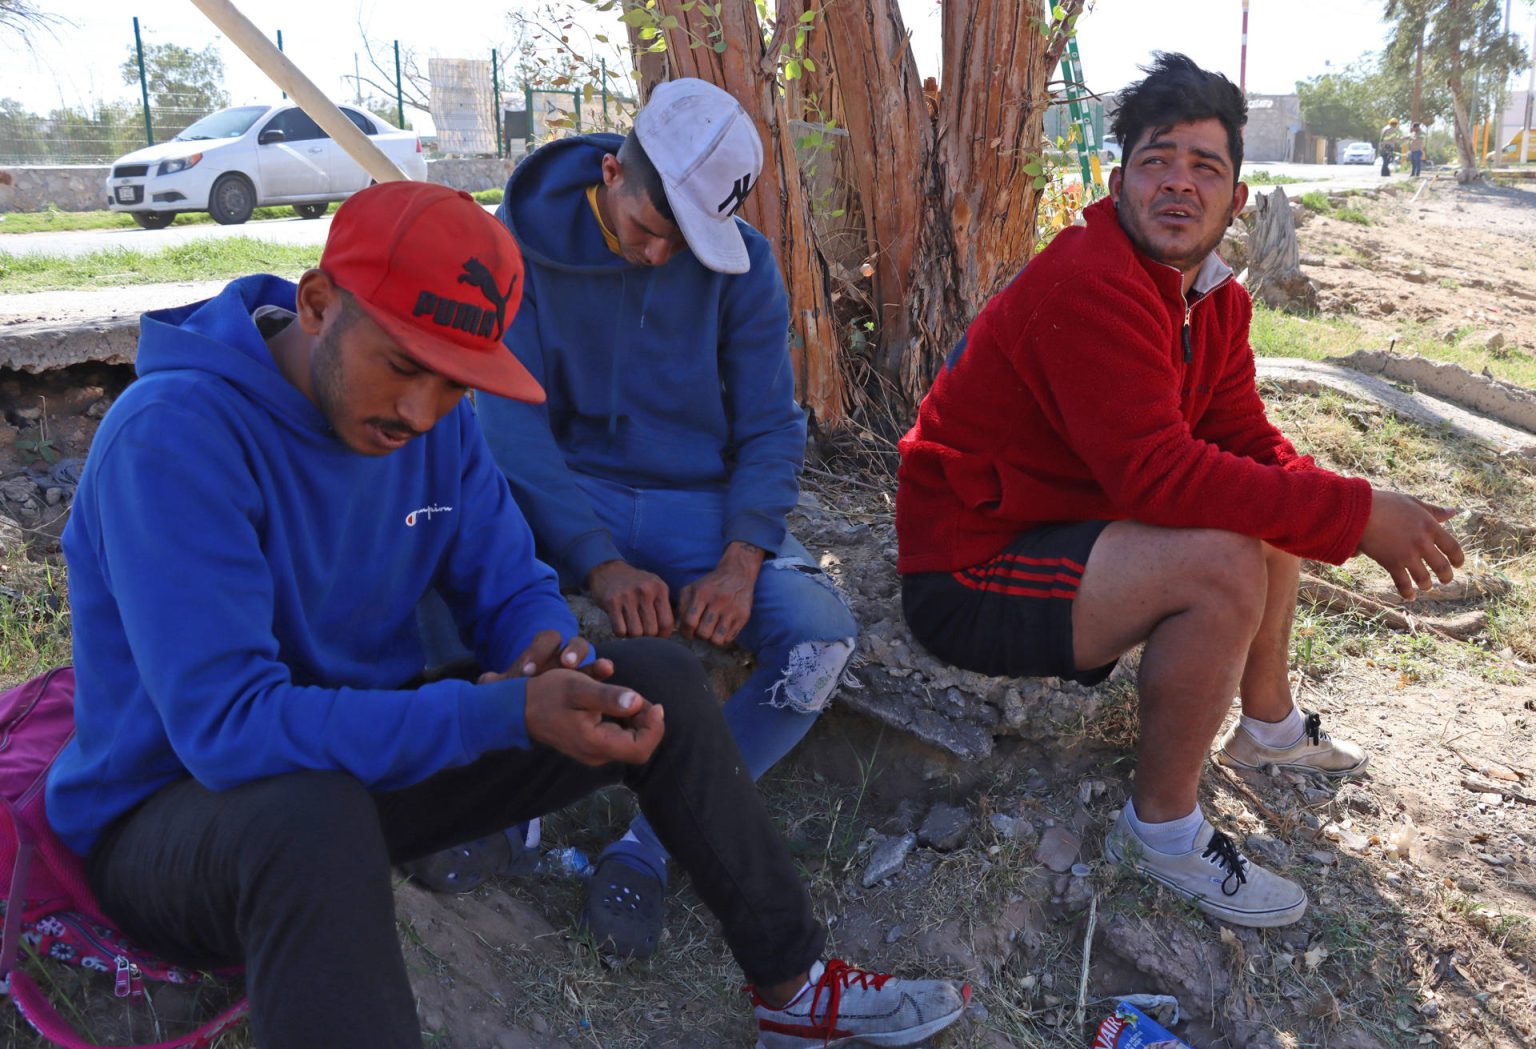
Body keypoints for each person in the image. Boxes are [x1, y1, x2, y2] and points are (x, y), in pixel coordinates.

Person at [47, 180, 966, 1049]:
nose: (420, 408)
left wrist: (547, 653)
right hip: (176, 822)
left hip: (352, 767)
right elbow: (229, 731)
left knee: (654, 681)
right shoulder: (175, 436)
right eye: (401, 365)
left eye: (452, 382)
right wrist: (496, 711)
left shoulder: (435, 419)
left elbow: (506, 576)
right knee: (308, 816)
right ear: (321, 301)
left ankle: (795, 987)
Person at [896, 54, 1463, 929]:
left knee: (1265, 502)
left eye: (1206, 166)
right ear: (1119, 181)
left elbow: (1244, 441)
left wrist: (1352, 499)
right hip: (973, 562)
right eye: (1158, 160)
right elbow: (1157, 476)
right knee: (1222, 561)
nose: (1179, 184)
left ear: (1237, 199)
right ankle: (1159, 831)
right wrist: (1355, 519)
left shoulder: (1212, 297)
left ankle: (1267, 725)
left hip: (1065, 524)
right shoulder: (1094, 281)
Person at [419, 77, 858, 958]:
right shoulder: (520, 247)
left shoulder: (745, 266)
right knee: (432, 565)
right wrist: (597, 562)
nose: (663, 256)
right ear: (612, 172)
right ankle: (516, 813)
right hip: (565, 488)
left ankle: (652, 843)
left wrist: (740, 559)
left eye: (689, 240)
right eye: (652, 230)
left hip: (700, 506)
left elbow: (773, 424)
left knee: (819, 636)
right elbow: (509, 423)